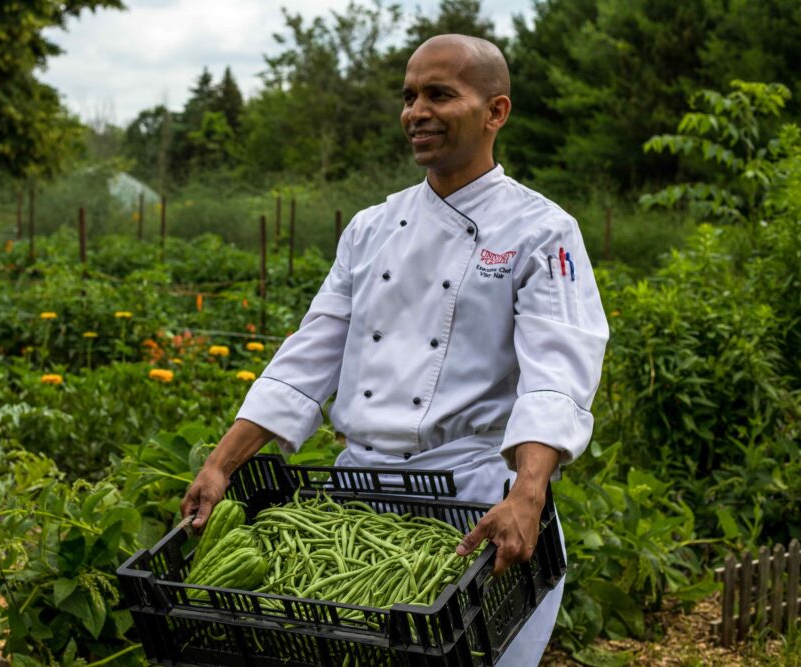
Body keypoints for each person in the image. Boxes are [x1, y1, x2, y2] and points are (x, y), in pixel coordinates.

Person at [181, 34, 609, 665]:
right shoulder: (371, 227)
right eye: (409, 96)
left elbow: (560, 368)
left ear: (496, 111)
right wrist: (221, 463)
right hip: (356, 497)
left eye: (440, 94)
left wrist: (528, 492)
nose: (416, 112)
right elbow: (310, 353)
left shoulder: (542, 230)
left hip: (469, 502)